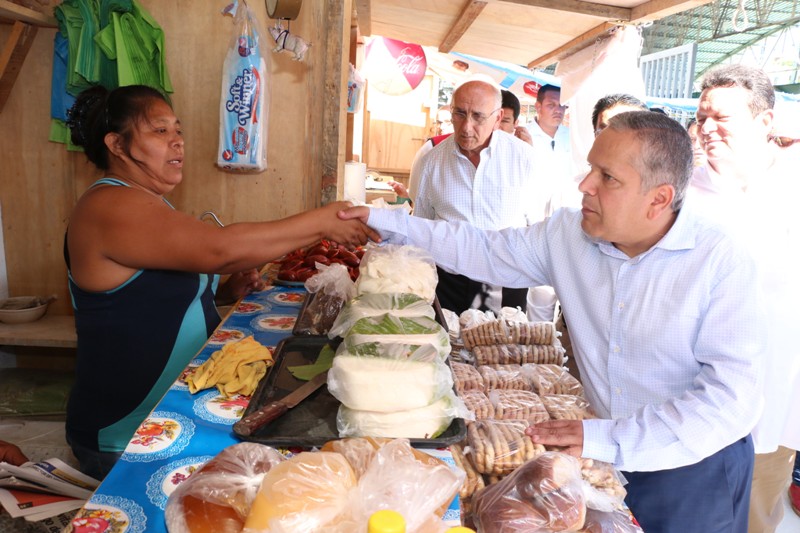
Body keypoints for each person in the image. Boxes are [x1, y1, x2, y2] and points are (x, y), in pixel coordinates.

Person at [342, 111, 765, 532]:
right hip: (601, 455)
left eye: (607, 177)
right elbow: (482, 248)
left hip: (694, 468)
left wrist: (606, 439)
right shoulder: (570, 234)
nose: (585, 185)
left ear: (658, 198)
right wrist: (379, 220)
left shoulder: (718, 262)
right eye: (590, 169)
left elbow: (729, 398)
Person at [63, 84, 376, 480]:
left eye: (178, 130)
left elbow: (151, 294)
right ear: (117, 145)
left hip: (174, 410)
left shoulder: (148, 202)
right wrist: (322, 221)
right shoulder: (109, 206)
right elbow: (219, 249)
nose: (177, 141)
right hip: (131, 431)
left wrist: (226, 291)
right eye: (160, 131)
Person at [687, 64, 800, 533]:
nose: (707, 128)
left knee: (755, 516)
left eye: (722, 117)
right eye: (702, 117)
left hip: (777, 399)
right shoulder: (682, 193)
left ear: (764, 121)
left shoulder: (794, 183)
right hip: (691, 399)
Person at [413, 79, 545, 314]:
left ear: (498, 117)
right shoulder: (431, 161)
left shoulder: (525, 159)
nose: (466, 127)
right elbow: (421, 226)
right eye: (460, 114)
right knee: (447, 336)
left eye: (478, 117)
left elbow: (537, 227)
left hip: (506, 280)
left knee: (503, 338)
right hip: (447, 281)